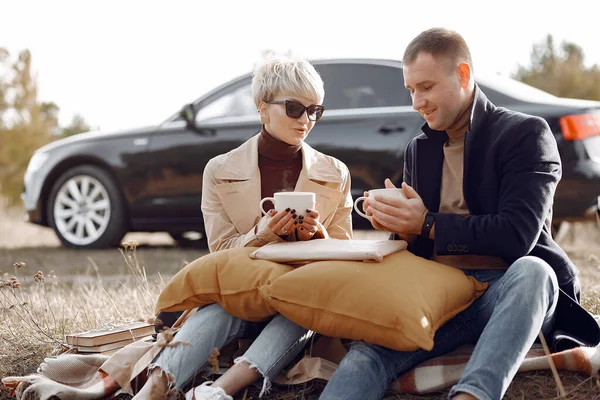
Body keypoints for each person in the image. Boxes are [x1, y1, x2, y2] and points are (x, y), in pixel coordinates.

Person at [319, 28, 598, 400]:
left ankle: (473, 395)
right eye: (410, 90)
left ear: (463, 75)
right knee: (367, 353)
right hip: (439, 295)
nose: (417, 101)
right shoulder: (418, 149)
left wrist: (427, 223)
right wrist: (400, 226)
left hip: (510, 291)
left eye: (427, 87)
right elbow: (419, 245)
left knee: (535, 271)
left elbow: (518, 234)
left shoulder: (526, 134)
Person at [133, 51, 353, 400]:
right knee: (221, 306)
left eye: (315, 111)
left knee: (302, 305)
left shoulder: (335, 172)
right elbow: (219, 255)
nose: (307, 120)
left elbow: (345, 260)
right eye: (295, 108)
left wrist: (319, 235)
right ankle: (152, 390)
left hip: (303, 296)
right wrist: (261, 235)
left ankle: (220, 391)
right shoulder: (219, 169)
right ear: (263, 108)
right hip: (241, 290)